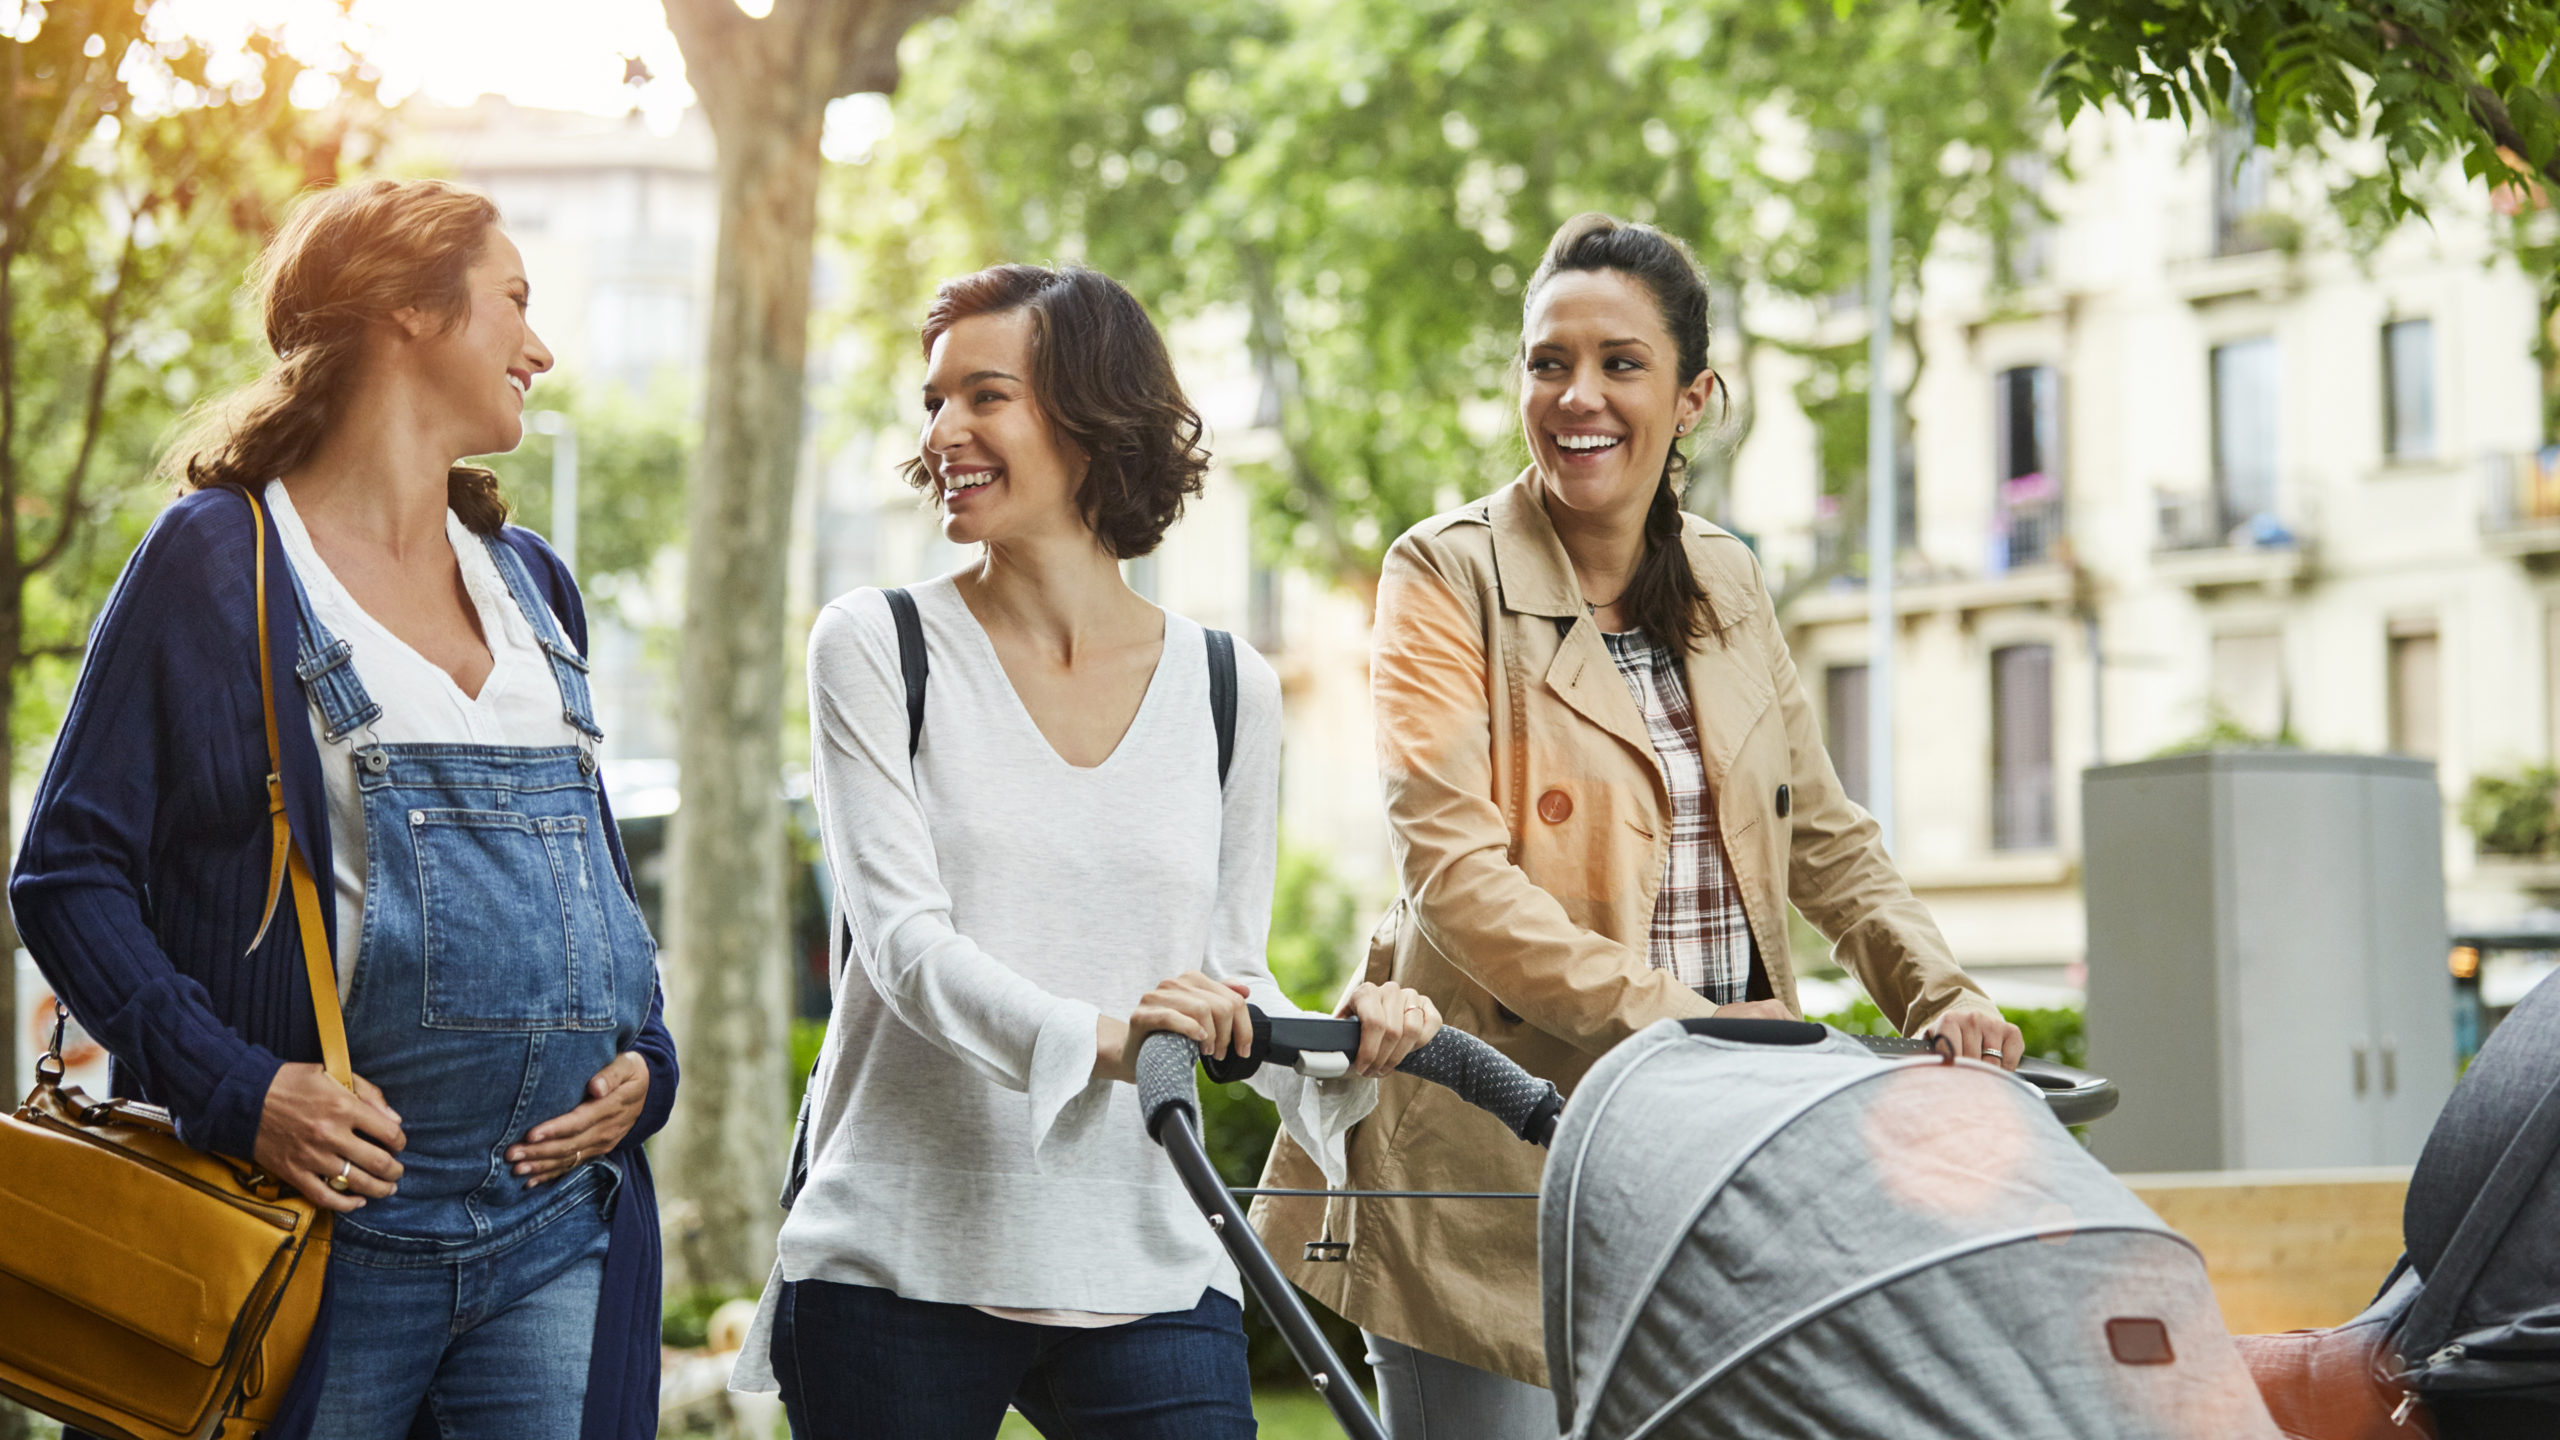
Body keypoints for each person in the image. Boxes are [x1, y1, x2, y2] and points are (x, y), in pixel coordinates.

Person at [1252, 213, 2024, 1438]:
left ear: (1691, 398)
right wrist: (1691, 1031)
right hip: (1494, 1158)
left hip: (1711, 1161)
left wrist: (1940, 993)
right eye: (1547, 362)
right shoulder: (1443, 574)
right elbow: (1458, 880)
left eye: (1620, 363)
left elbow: (1819, 832)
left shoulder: (1725, 577)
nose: (1578, 396)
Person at [11, 178, 676, 1440]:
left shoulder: (532, 580)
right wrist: (236, 1087)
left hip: (551, 1228)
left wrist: (650, 1057)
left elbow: (591, 878)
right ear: (406, 310)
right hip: (318, 1237)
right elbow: (66, 871)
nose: (540, 348)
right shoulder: (222, 562)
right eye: (514, 302)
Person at [729, 262, 1441, 1439]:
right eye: (934, 401)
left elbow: (1227, 980)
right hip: (901, 1255)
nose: (941, 433)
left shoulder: (1227, 686)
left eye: (985, 396)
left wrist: (1341, 1043)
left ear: (1091, 418)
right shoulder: (878, 645)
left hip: (1143, 1253)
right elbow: (905, 950)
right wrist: (1119, 1043)